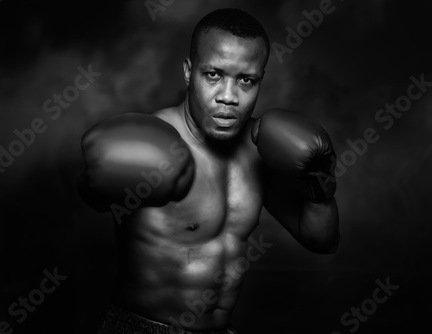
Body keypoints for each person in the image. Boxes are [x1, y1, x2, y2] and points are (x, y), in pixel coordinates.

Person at [78, 8, 339, 334]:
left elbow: (321, 240)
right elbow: (90, 195)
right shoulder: (153, 139)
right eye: (213, 74)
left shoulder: (262, 150)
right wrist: (90, 185)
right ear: (189, 72)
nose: (228, 97)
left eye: (246, 80)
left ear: (260, 80)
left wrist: (318, 185)